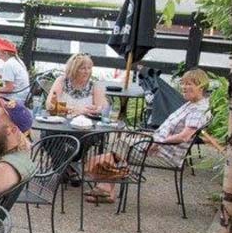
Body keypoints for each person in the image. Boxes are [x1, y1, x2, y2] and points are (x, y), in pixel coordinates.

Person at [86, 69, 211, 204]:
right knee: (116, 147)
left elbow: (184, 137)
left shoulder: (198, 110)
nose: (184, 87)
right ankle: (105, 188)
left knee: (116, 147)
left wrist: (157, 143)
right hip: (156, 145)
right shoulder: (191, 104)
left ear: (201, 87)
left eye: (189, 84)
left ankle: (102, 186)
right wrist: (151, 138)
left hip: (164, 154)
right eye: (183, 84)